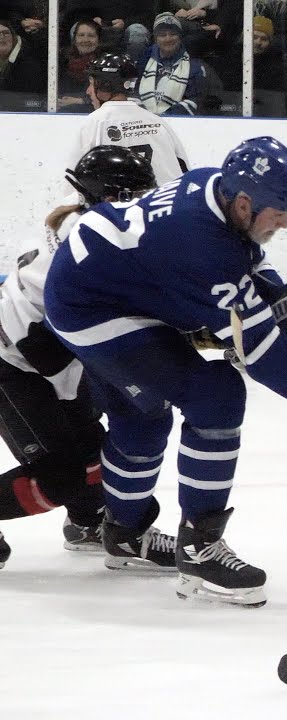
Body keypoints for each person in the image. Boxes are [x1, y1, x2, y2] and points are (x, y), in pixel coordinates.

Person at [43, 136, 287, 607]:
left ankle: (123, 531)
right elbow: (262, 353)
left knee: (144, 418)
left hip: (101, 287)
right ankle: (200, 546)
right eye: (278, 211)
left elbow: (245, 260)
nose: (283, 222)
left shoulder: (208, 185)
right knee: (215, 395)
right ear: (244, 203)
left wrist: (281, 297)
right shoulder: (201, 248)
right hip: (94, 311)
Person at [0, 146, 156, 568]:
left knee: (99, 459)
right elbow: (48, 351)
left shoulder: (79, 224)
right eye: (136, 195)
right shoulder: (92, 247)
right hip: (11, 367)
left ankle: (89, 522)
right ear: (110, 197)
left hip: (37, 360)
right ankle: (87, 513)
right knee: (63, 475)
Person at [70, 51, 191, 184]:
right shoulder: (157, 121)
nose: (88, 91)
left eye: (92, 84)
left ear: (105, 85)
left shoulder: (94, 123)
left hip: (120, 203)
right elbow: (184, 172)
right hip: (163, 202)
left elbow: (75, 182)